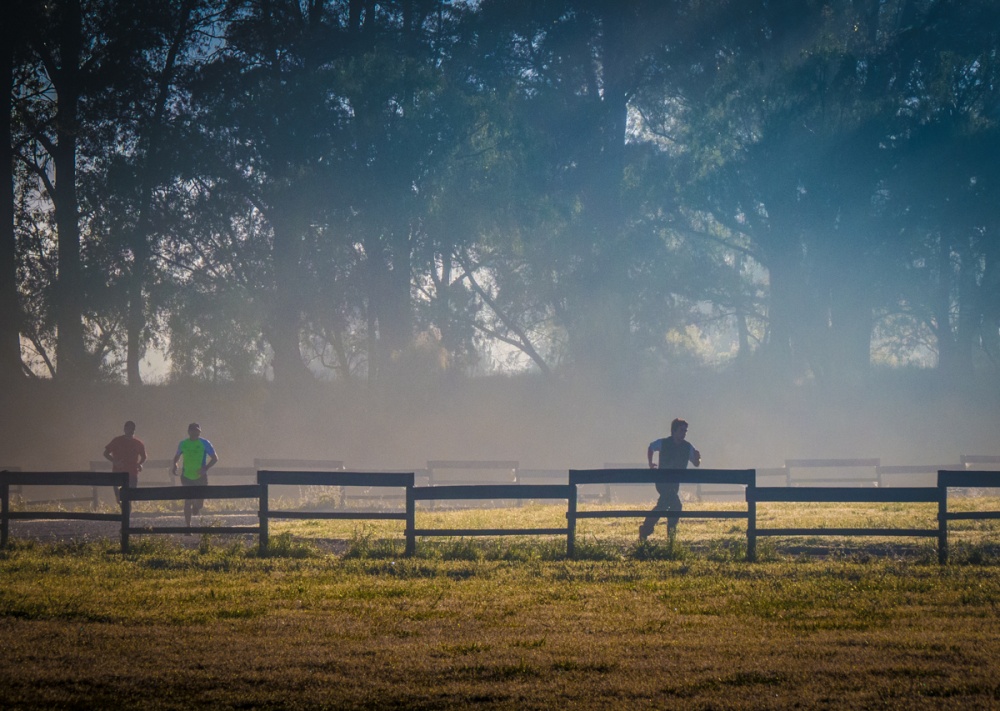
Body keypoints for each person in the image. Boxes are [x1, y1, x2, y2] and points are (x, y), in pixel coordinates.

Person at [639, 418, 701, 541]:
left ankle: (646, 529)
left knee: (663, 505)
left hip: (674, 483)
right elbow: (651, 447)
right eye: (681, 430)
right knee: (676, 505)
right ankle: (670, 537)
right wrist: (651, 464)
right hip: (663, 481)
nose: (683, 433)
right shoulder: (664, 443)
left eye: (685, 431)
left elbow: (696, 462)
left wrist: (698, 459)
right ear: (674, 431)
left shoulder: (687, 447)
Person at [170, 422, 218, 527]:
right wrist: (175, 465)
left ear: (200, 431)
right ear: (189, 432)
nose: (195, 432)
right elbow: (177, 456)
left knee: (200, 504)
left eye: (197, 430)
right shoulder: (183, 444)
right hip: (186, 476)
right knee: (188, 501)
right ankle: (188, 527)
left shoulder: (205, 443)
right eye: (193, 430)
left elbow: (215, 458)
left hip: (201, 477)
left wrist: (206, 468)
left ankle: (197, 506)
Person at [103, 420, 147, 504]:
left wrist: (140, 464)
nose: (130, 431)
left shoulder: (138, 443)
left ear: (134, 430)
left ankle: (128, 513)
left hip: (132, 473)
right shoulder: (117, 440)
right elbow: (105, 453)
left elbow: (144, 456)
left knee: (131, 496)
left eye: (132, 429)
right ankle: (124, 512)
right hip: (118, 472)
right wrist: (114, 461)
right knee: (119, 498)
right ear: (124, 429)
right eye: (128, 428)